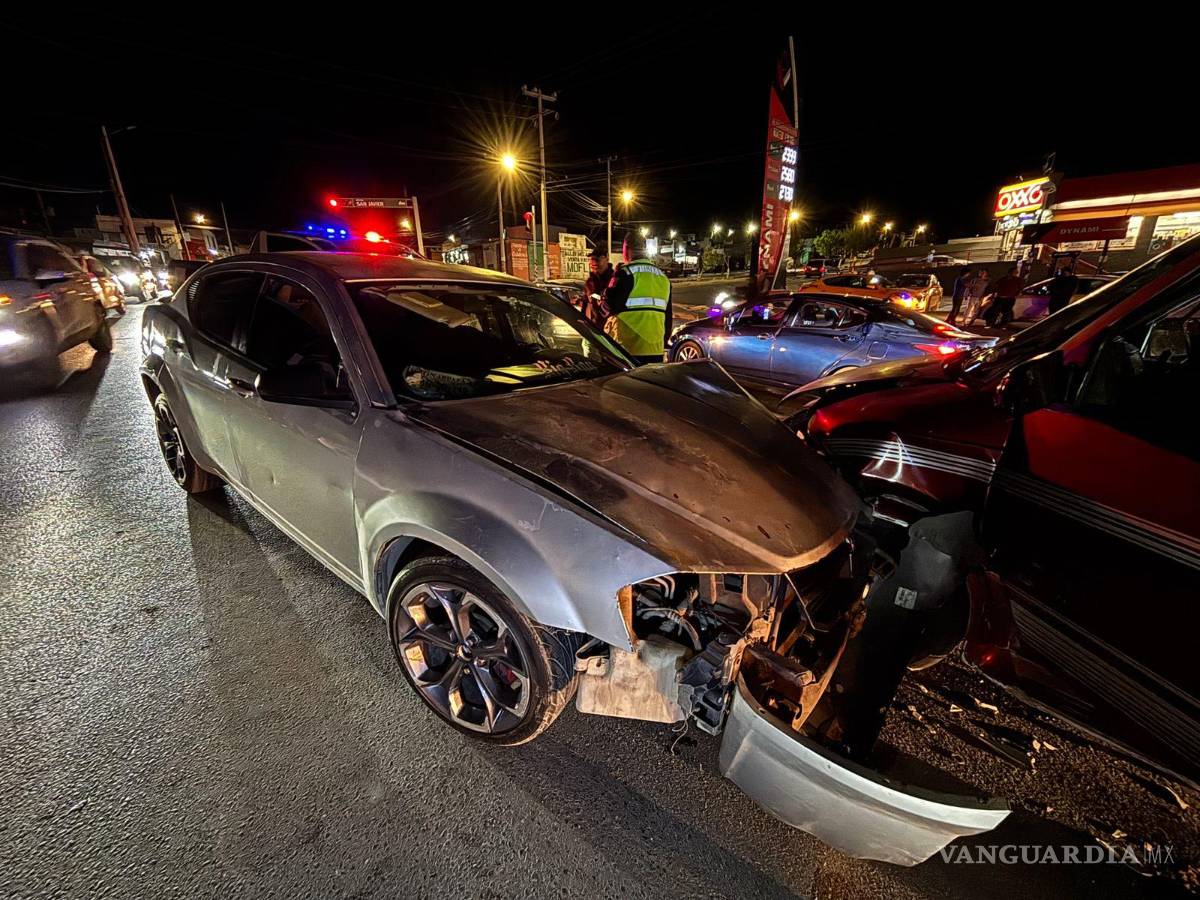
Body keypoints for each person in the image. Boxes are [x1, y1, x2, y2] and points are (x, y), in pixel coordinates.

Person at [604, 231, 673, 364]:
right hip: (655, 350)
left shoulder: (626, 273)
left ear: (626, 249)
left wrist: (605, 294)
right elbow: (668, 317)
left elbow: (610, 307)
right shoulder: (663, 278)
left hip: (627, 349)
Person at [583, 246, 614, 329]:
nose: (593, 262)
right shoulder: (589, 283)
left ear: (607, 258)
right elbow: (586, 304)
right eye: (591, 259)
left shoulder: (615, 280)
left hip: (611, 329)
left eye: (597, 259)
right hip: (594, 329)